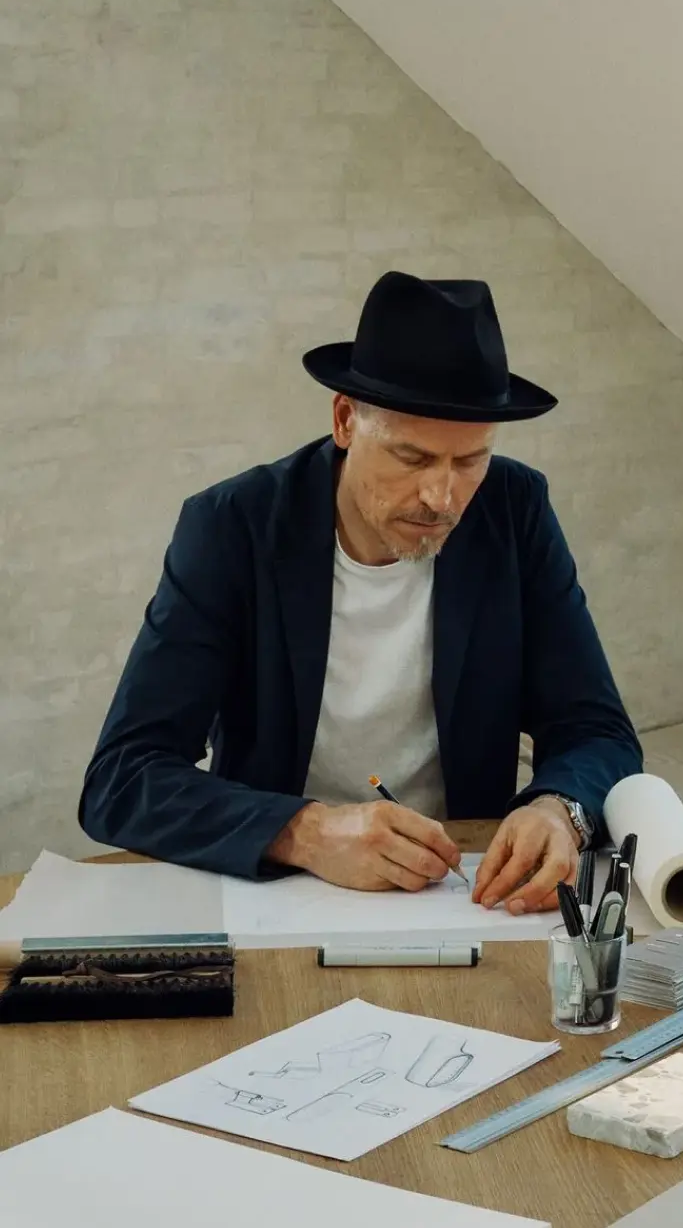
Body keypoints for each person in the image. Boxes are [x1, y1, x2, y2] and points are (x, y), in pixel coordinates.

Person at [78, 271, 642, 916]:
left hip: (464, 893)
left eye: (469, 461)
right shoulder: (234, 526)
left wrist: (559, 808)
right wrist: (306, 831)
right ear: (346, 420)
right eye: (412, 458)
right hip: (281, 890)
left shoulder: (514, 510)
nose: (442, 497)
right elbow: (122, 779)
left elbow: (596, 729)